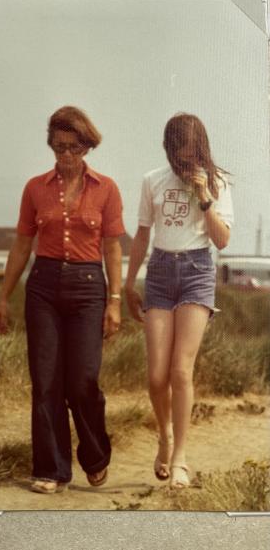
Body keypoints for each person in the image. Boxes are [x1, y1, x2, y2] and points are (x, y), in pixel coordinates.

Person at [0, 106, 125, 493]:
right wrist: (3, 298)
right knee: (46, 380)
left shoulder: (107, 189)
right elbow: (21, 245)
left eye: (75, 148)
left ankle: (96, 455)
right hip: (44, 286)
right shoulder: (35, 188)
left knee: (82, 380)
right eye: (59, 147)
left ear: (87, 147)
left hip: (88, 288)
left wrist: (114, 300)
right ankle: (50, 468)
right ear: (51, 145)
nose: (66, 156)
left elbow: (113, 249)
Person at [124, 113, 233, 489]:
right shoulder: (152, 180)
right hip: (159, 272)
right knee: (157, 375)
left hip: (197, 271)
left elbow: (222, 241)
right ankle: (164, 436)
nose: (185, 163)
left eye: (191, 155)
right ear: (170, 150)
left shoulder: (218, 182)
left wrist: (205, 196)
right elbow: (141, 235)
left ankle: (181, 457)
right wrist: (127, 282)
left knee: (180, 371)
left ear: (201, 148)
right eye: (179, 156)